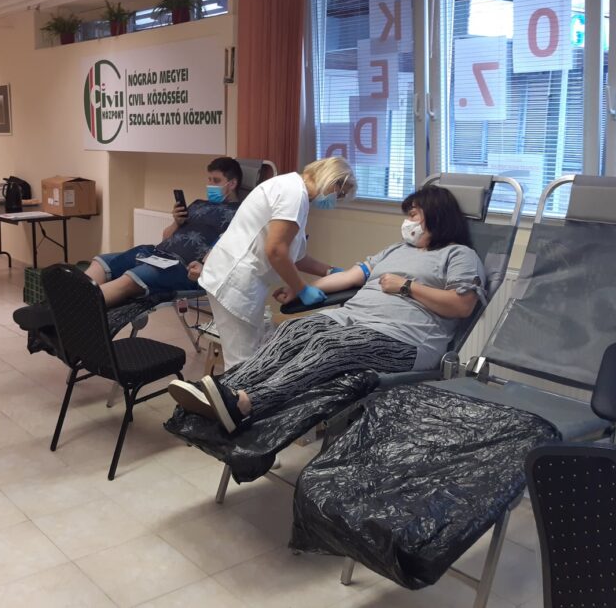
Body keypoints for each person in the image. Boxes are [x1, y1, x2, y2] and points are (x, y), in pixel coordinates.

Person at [169, 184, 486, 433]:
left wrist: (406, 286)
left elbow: (462, 305)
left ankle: (246, 404)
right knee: (295, 329)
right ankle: (221, 392)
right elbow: (350, 276)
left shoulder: (459, 255)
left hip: (406, 340)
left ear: (436, 216)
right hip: (352, 319)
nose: (408, 222)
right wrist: (301, 289)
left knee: (328, 345)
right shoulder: (395, 250)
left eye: (414, 215)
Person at [192, 157, 356, 369]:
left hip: (237, 278)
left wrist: (330, 271)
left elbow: (296, 256)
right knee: (242, 363)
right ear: (333, 180)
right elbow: (276, 251)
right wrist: (302, 289)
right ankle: (230, 391)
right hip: (234, 281)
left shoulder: (295, 193)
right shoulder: (293, 193)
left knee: (255, 352)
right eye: (339, 194)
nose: (336, 200)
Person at [84, 157, 243, 307]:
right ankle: (72, 299)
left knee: (129, 280)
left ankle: (79, 309)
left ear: (232, 183)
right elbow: (166, 237)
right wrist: (176, 222)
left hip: (181, 266)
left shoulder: (239, 213)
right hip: (155, 253)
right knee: (101, 262)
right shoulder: (198, 204)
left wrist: (204, 267)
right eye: (209, 179)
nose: (210, 185)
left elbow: (227, 251)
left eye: (216, 181)